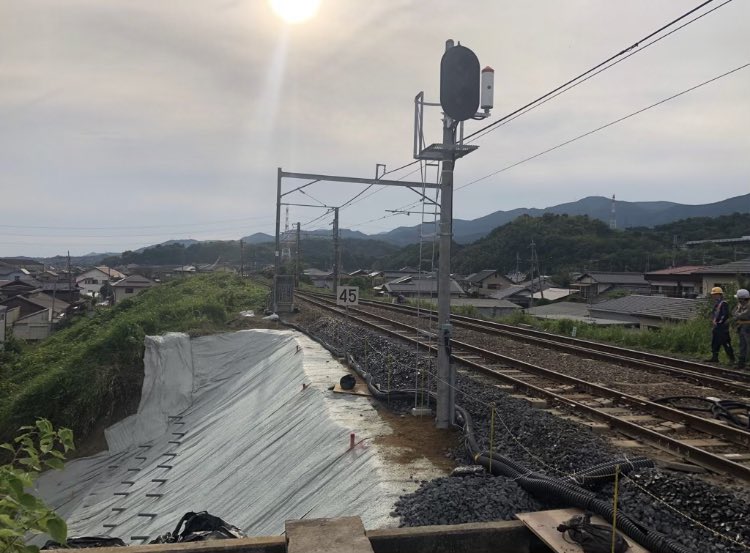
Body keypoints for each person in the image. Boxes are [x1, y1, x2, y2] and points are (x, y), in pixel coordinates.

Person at [706, 286, 734, 363]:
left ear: (719, 294)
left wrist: (718, 322)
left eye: (715, 294)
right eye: (713, 294)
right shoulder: (717, 304)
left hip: (722, 327)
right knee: (715, 342)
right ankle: (715, 357)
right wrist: (713, 321)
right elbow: (714, 314)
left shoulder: (724, 303)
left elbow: (725, 315)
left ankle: (732, 359)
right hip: (716, 327)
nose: (713, 296)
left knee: (725, 342)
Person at [733, 288, 750, 370]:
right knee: (742, 345)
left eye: (739, 298)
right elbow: (734, 313)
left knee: (748, 345)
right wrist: (737, 315)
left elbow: (744, 315)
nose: (738, 300)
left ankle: (748, 363)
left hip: (748, 327)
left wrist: (738, 315)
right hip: (742, 327)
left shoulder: (749, 305)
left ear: (743, 298)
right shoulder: (740, 305)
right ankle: (741, 362)